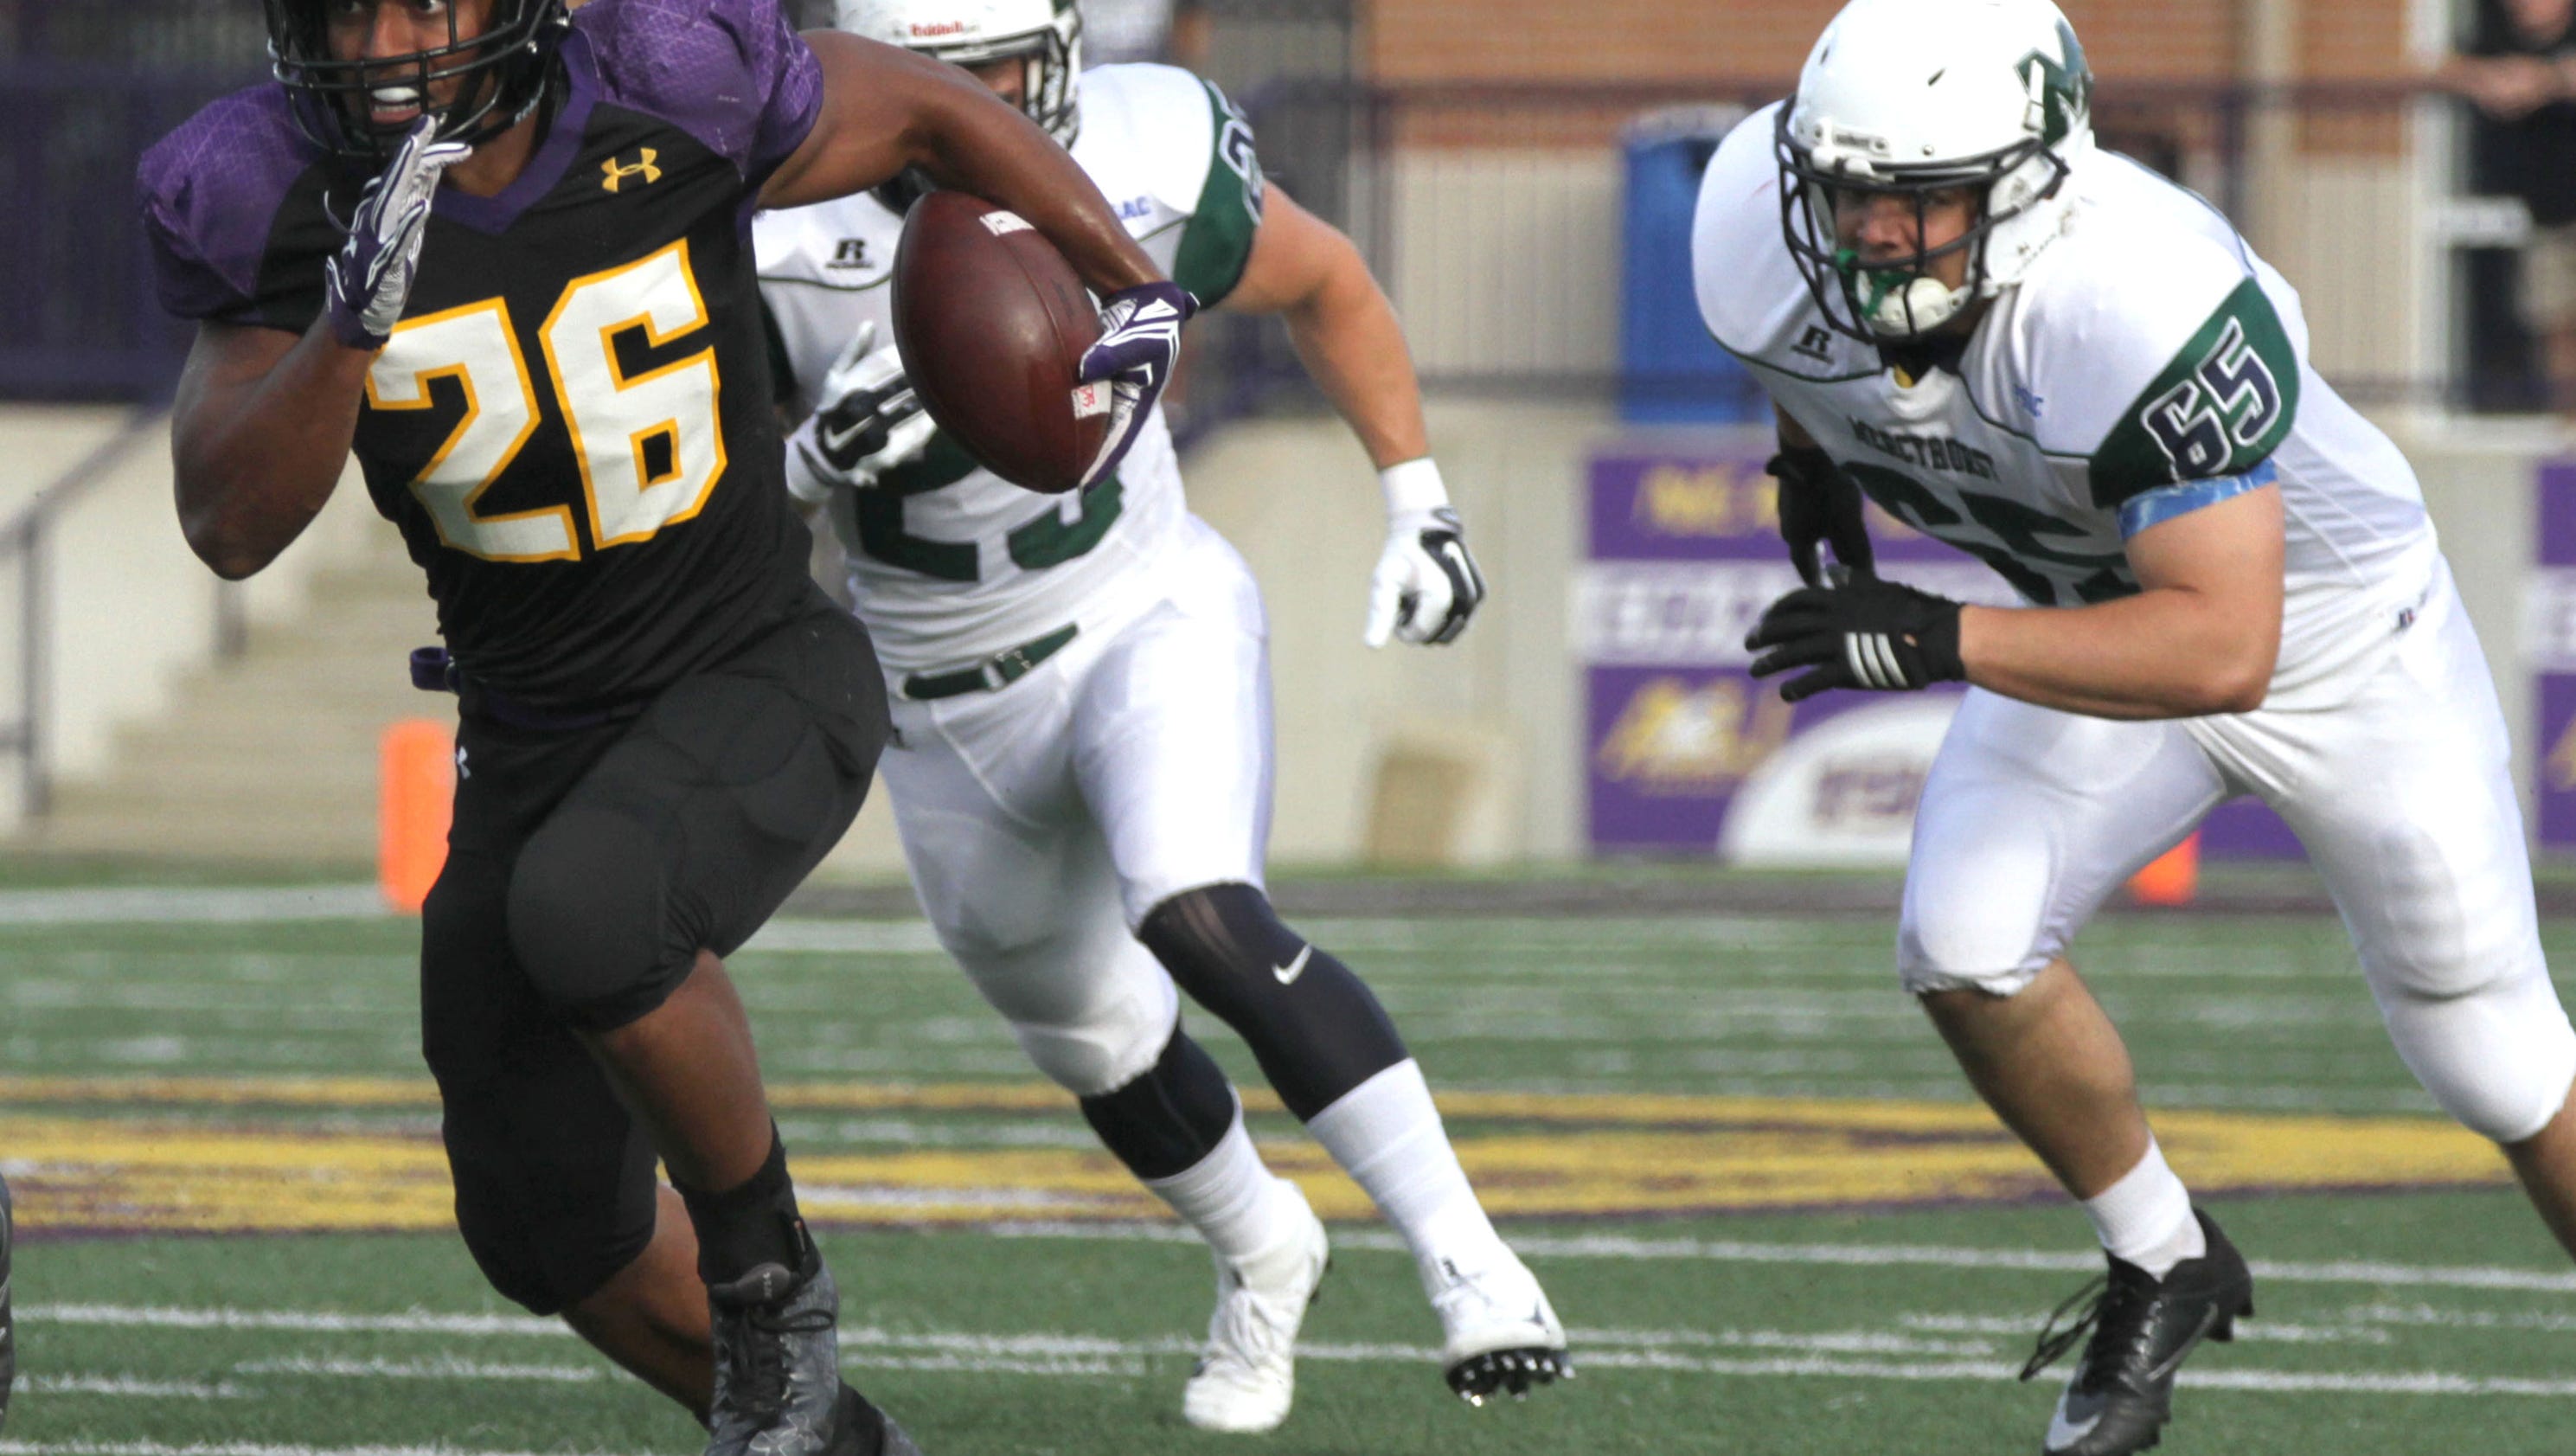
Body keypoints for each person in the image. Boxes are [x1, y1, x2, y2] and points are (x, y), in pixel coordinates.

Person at [136, 1, 1185, 1450]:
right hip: (529, 731)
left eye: (423, 1)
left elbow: (941, 115)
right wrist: (342, 330)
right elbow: (230, 522)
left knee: (593, 911)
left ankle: (773, 1288)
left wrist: (1135, 281)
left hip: (755, 666)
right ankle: (826, 1440)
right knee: (539, 1221)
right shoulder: (265, 190)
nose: (382, 45)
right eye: (343, 9)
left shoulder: (667, 78)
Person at [1693, 2, 2576, 1454]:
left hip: (2330, 640)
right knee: (1962, 943)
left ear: (2032, 178)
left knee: (2487, 1049)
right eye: (1846, 191)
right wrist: (1812, 469)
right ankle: (2162, 1252)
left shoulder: (2138, 293)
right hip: (2096, 624)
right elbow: (1811, 360)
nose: (1868, 234)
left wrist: (1939, 636)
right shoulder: (1762, 225)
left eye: (1916, 201)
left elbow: (2223, 644)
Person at [753, 0, 1564, 1434]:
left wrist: (1415, 502)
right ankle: (1263, 1249)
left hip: (1143, 614)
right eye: (932, 87)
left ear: (1060, 55)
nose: (970, 117)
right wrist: (805, 465)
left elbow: (1323, 280)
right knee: (1098, 1043)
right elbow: (688, 505)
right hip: (939, 707)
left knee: (1194, 907)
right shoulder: (765, 223)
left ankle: (1471, 1260)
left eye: (998, 77)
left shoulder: (1148, 143)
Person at [2438, 0, 2576, 421]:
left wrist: (2544, 81)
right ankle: (2569, 434)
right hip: (2546, 212)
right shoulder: (2493, 28)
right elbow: (2441, 67)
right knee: (2556, 325)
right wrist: (2490, 79)